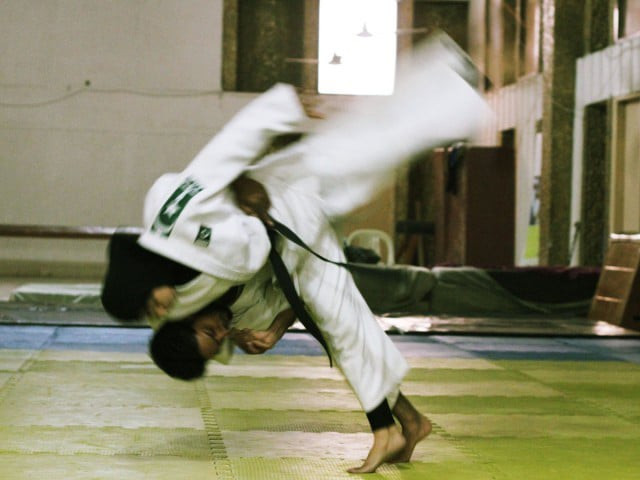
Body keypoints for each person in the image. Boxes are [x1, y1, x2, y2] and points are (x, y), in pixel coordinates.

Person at [101, 33, 489, 473]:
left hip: (288, 194)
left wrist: (282, 109)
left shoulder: (177, 226)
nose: (223, 333)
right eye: (219, 340)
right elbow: (291, 302)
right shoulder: (211, 304)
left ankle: (452, 76)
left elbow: (221, 154)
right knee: (341, 322)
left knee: (374, 144)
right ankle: (398, 426)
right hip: (295, 237)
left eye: (211, 331)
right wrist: (273, 330)